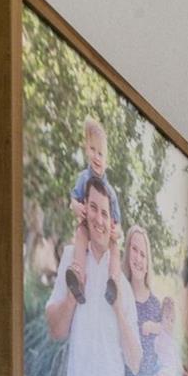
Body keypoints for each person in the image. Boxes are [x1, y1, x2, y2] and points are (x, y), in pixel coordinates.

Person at [44, 177, 140, 376]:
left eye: (105, 213)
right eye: (94, 209)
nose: (99, 219)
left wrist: (117, 310)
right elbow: (56, 331)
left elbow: (136, 362)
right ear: (85, 209)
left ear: (112, 221)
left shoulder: (122, 284)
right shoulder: (71, 259)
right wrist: (70, 300)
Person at [64, 117, 123, 307]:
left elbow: (118, 222)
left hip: (104, 235)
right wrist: (75, 205)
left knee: (115, 247)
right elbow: (73, 199)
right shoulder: (83, 178)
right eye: (93, 150)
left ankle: (113, 281)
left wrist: (117, 231)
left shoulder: (110, 192)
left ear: (106, 160)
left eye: (101, 153)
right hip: (87, 226)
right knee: (80, 234)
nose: (97, 157)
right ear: (86, 149)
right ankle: (78, 277)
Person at [121, 225, 163, 376]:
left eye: (143, 254)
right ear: (127, 252)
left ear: (148, 263)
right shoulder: (119, 296)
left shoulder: (156, 307)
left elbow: (162, 358)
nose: (138, 258)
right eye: (134, 250)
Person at [148, 297, 184, 376]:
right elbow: (149, 328)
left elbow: (177, 360)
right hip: (160, 370)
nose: (169, 323)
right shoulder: (160, 332)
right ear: (161, 318)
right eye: (167, 318)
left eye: (172, 320)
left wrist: (184, 373)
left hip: (168, 371)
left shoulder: (172, 341)